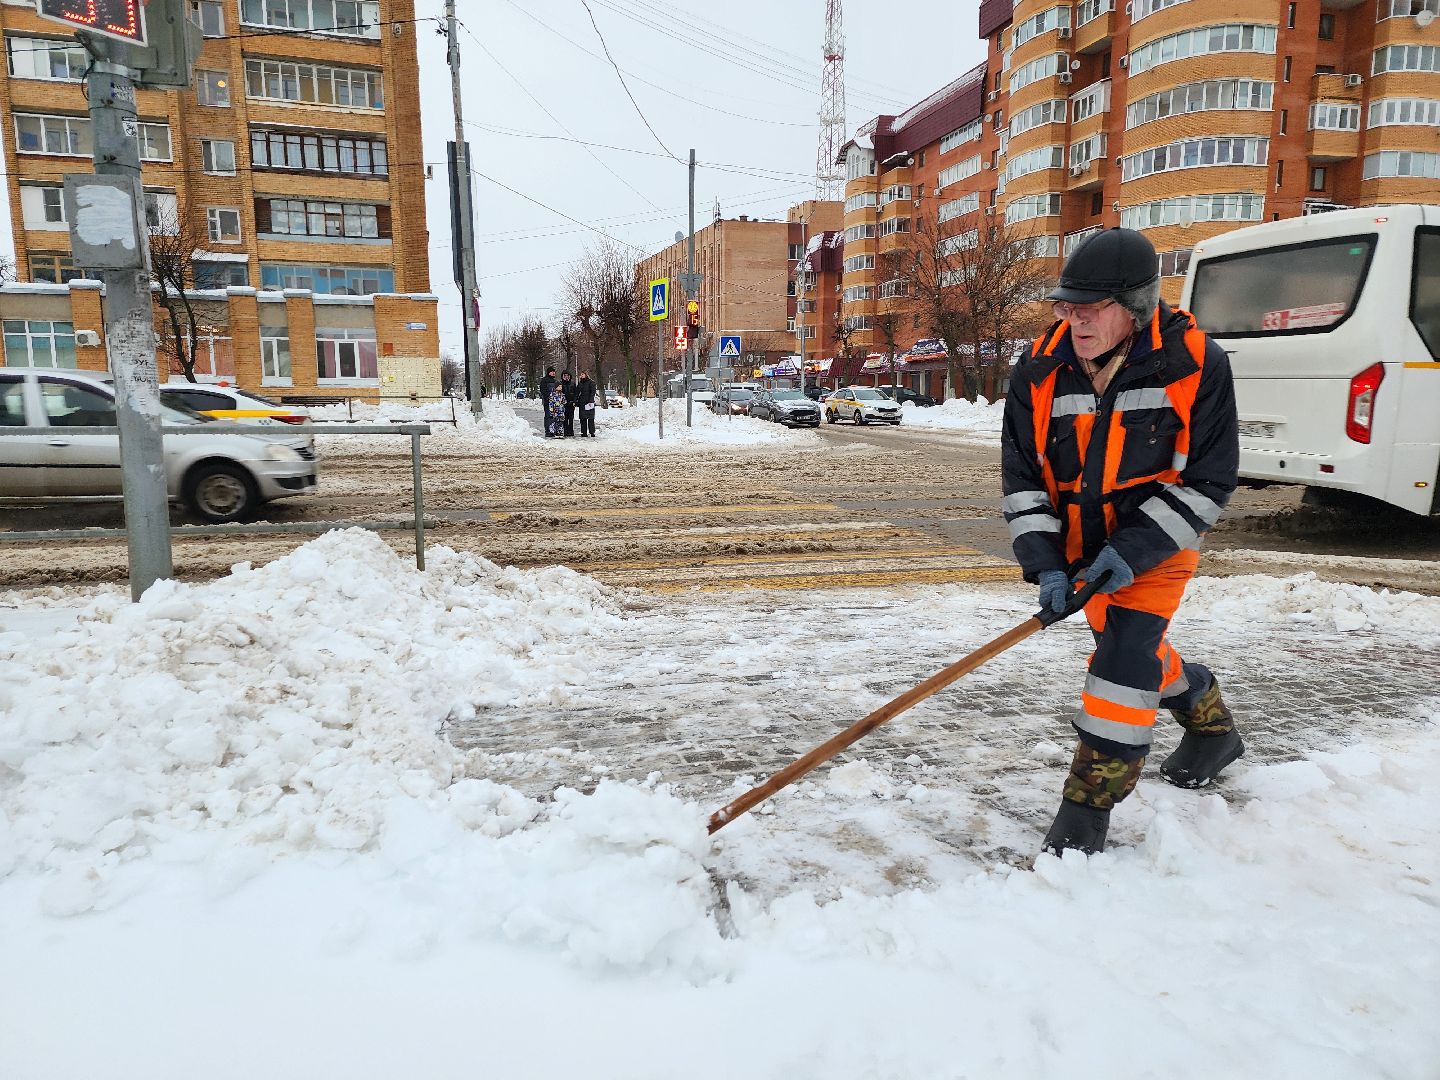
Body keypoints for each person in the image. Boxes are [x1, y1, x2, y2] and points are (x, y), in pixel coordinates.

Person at [1000, 227, 1242, 857]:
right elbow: (1024, 482)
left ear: (1135, 309)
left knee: (1119, 667)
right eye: (1067, 307)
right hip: (1081, 554)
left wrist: (1130, 553)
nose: (1074, 320)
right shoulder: (1037, 373)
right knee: (1129, 647)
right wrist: (1048, 565)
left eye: (1090, 308)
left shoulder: (1195, 364)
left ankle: (1085, 814)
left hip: (1156, 547)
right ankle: (1211, 727)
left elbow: (1208, 479)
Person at [538, 367, 561, 438]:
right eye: (552, 372)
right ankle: (548, 431)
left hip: (555, 402)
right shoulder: (544, 380)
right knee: (548, 416)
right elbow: (543, 391)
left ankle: (553, 430)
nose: (553, 373)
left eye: (554, 372)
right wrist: (549, 397)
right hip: (548, 401)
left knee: (554, 417)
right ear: (548, 372)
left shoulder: (555, 381)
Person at [574, 371, 598, 437]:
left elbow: (593, 392)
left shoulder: (591, 382)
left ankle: (592, 432)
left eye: (582, 374)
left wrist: (590, 400)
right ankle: (584, 432)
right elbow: (577, 392)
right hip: (582, 402)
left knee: (590, 418)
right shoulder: (580, 383)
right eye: (581, 374)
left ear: (586, 375)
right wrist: (575, 400)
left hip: (589, 402)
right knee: (582, 418)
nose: (581, 375)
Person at [561, 371, 576, 437]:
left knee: (571, 418)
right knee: (565, 418)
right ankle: (565, 431)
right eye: (565, 375)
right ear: (563, 376)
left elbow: (576, 393)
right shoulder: (560, 383)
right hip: (564, 403)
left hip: (571, 403)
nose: (566, 377)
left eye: (568, 375)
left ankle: (571, 431)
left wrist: (574, 401)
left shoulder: (573, 383)